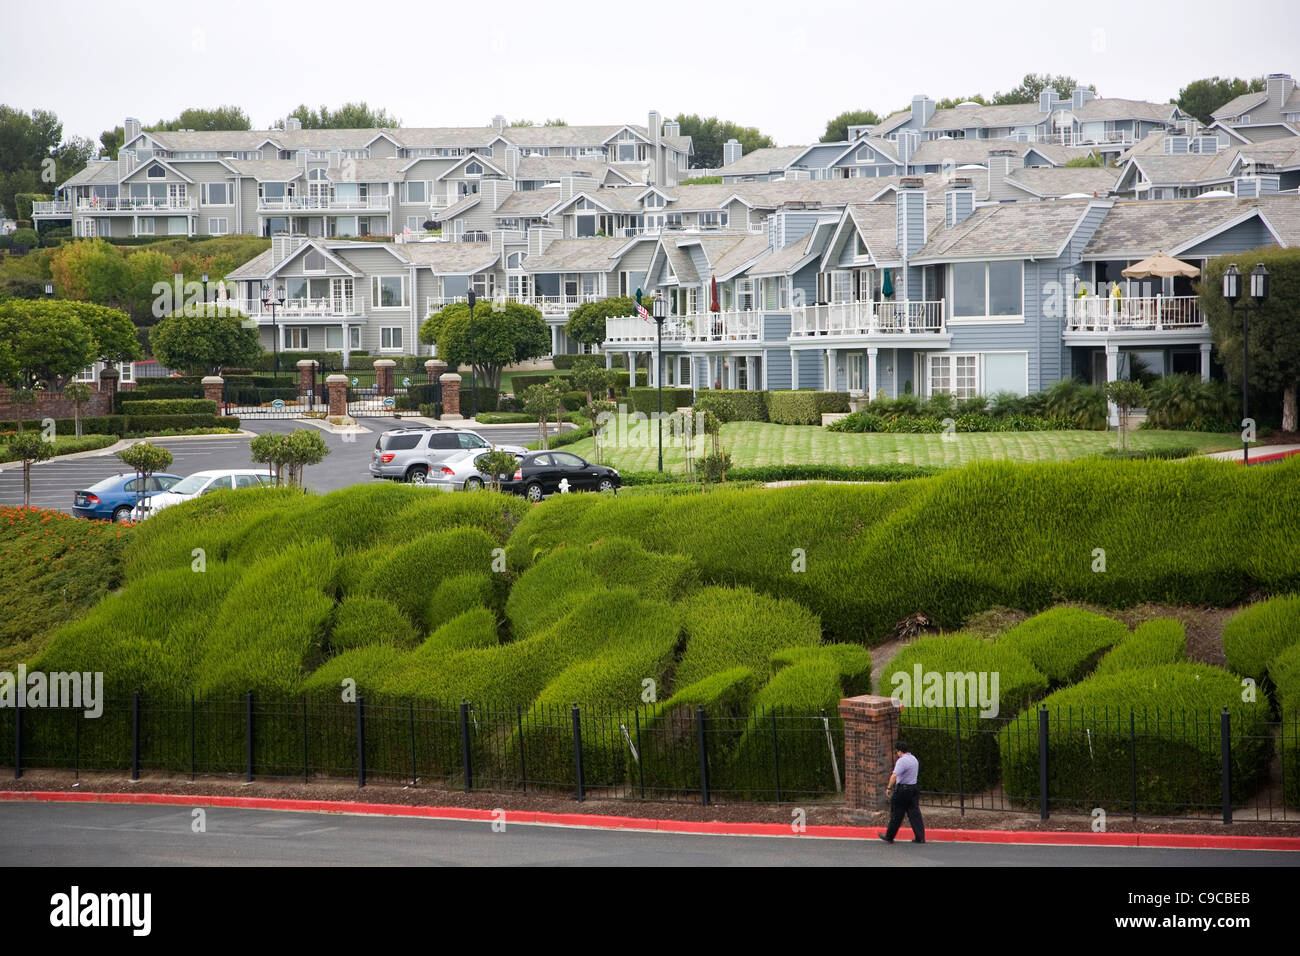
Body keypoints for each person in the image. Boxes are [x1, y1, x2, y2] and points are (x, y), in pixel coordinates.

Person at [878, 740, 925, 844]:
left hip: (903, 790)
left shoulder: (902, 761)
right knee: (914, 813)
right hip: (913, 789)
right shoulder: (914, 759)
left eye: (896, 752)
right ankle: (920, 837)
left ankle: (889, 836)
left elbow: (894, 775)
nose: (897, 754)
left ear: (899, 751)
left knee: (896, 813)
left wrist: (889, 788)